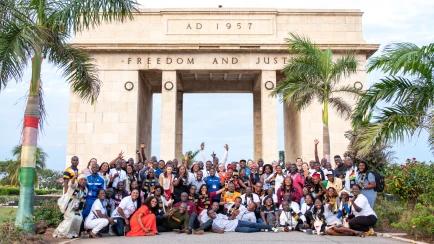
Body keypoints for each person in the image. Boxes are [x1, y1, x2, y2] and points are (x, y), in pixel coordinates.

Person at [53, 174, 87, 238]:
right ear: (78, 180)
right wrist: (74, 177)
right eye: (82, 179)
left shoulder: (85, 189)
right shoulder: (75, 186)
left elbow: (83, 198)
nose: (83, 181)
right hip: (69, 204)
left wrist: (81, 205)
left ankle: (72, 233)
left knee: (79, 219)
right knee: (70, 218)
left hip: (78, 206)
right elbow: (72, 183)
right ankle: (60, 232)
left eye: (85, 180)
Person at [209, 209, 273, 233]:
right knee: (248, 230)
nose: (213, 213)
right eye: (211, 213)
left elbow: (230, 218)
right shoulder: (214, 224)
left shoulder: (219, 215)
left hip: (237, 222)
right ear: (209, 215)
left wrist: (234, 215)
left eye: (213, 212)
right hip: (234, 229)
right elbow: (221, 231)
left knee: (252, 224)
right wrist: (218, 230)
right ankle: (262, 228)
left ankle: (271, 227)